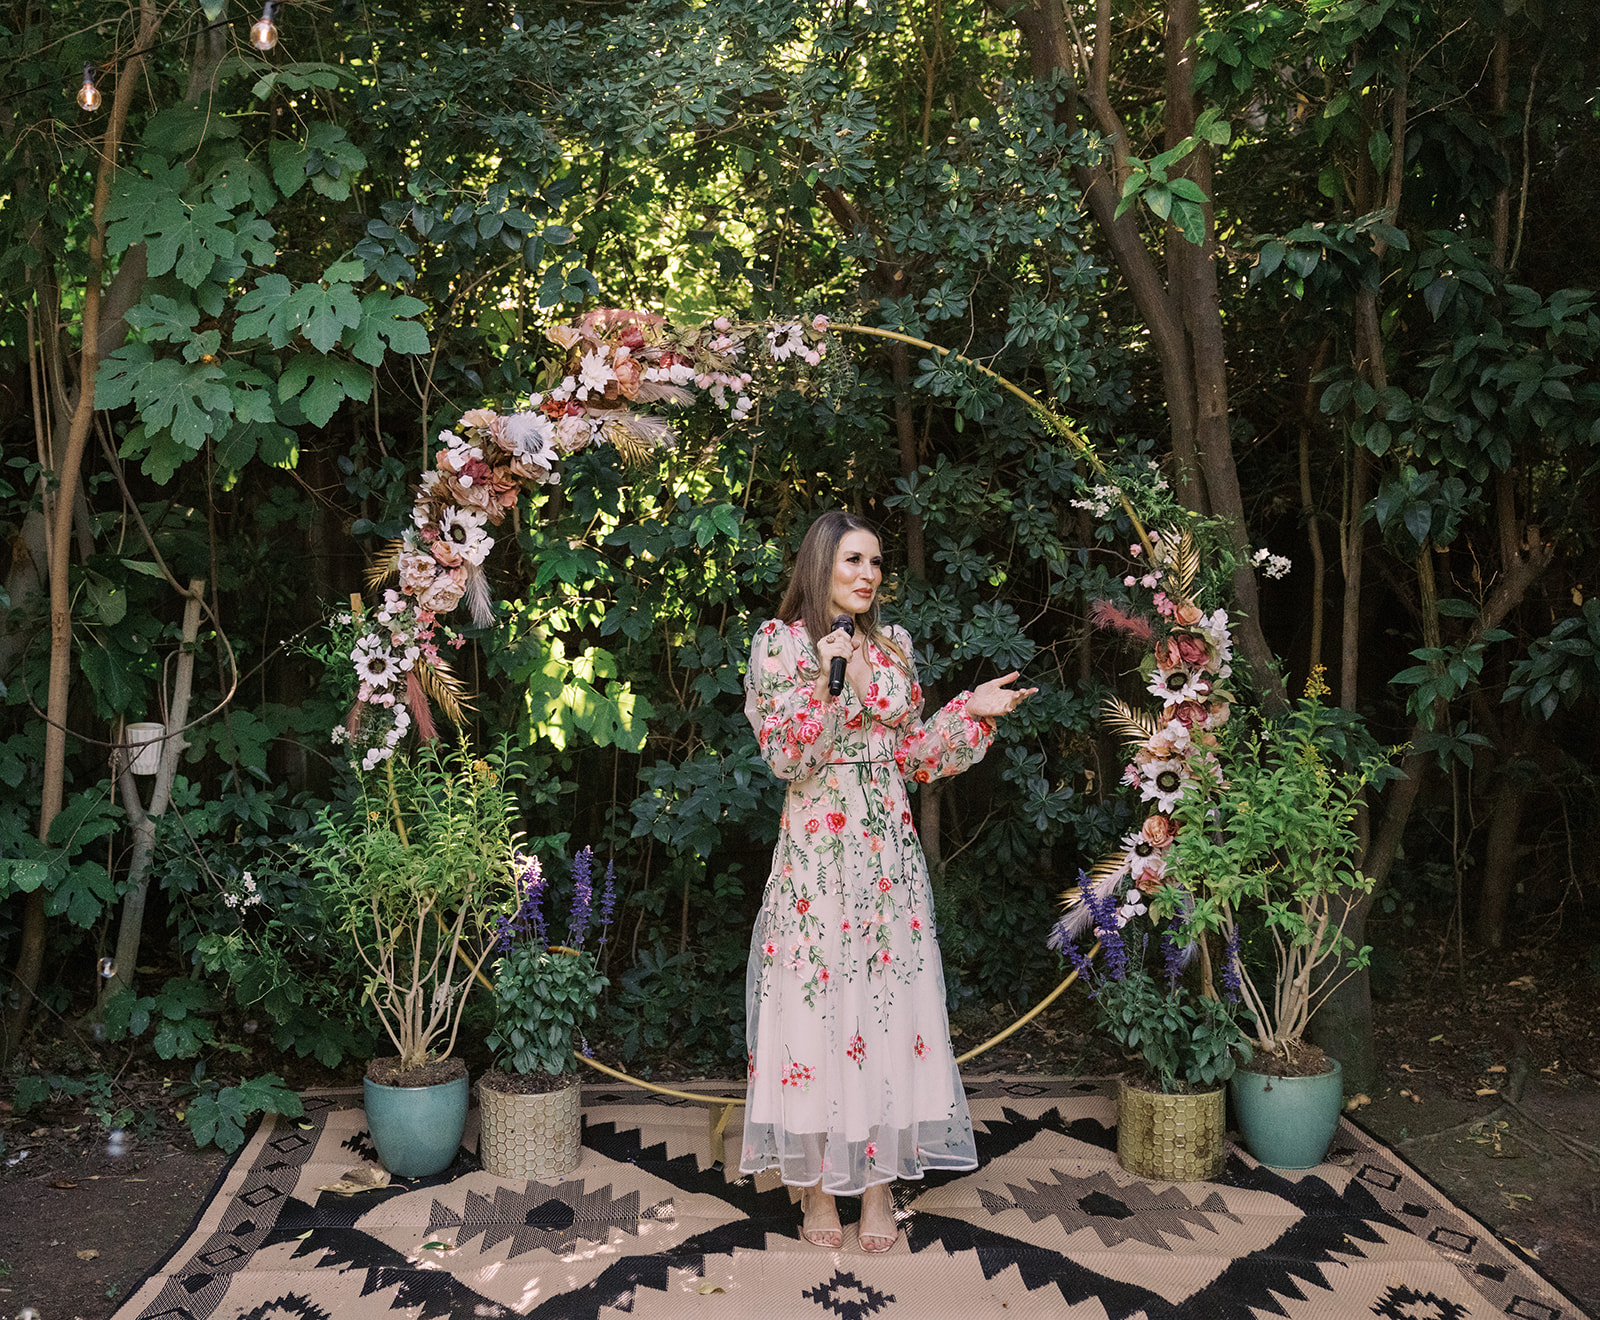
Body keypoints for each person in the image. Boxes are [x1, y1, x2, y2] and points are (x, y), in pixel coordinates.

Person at [740, 510, 1036, 1252]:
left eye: (875, 562)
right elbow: (788, 759)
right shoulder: (779, 646)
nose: (868, 574)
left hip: (885, 860)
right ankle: (814, 1193)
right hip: (815, 857)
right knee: (816, 1013)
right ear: (820, 566)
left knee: (882, 1014)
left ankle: (877, 1188)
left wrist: (973, 710)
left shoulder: (894, 646)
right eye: (852, 561)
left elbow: (917, 757)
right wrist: (831, 682)